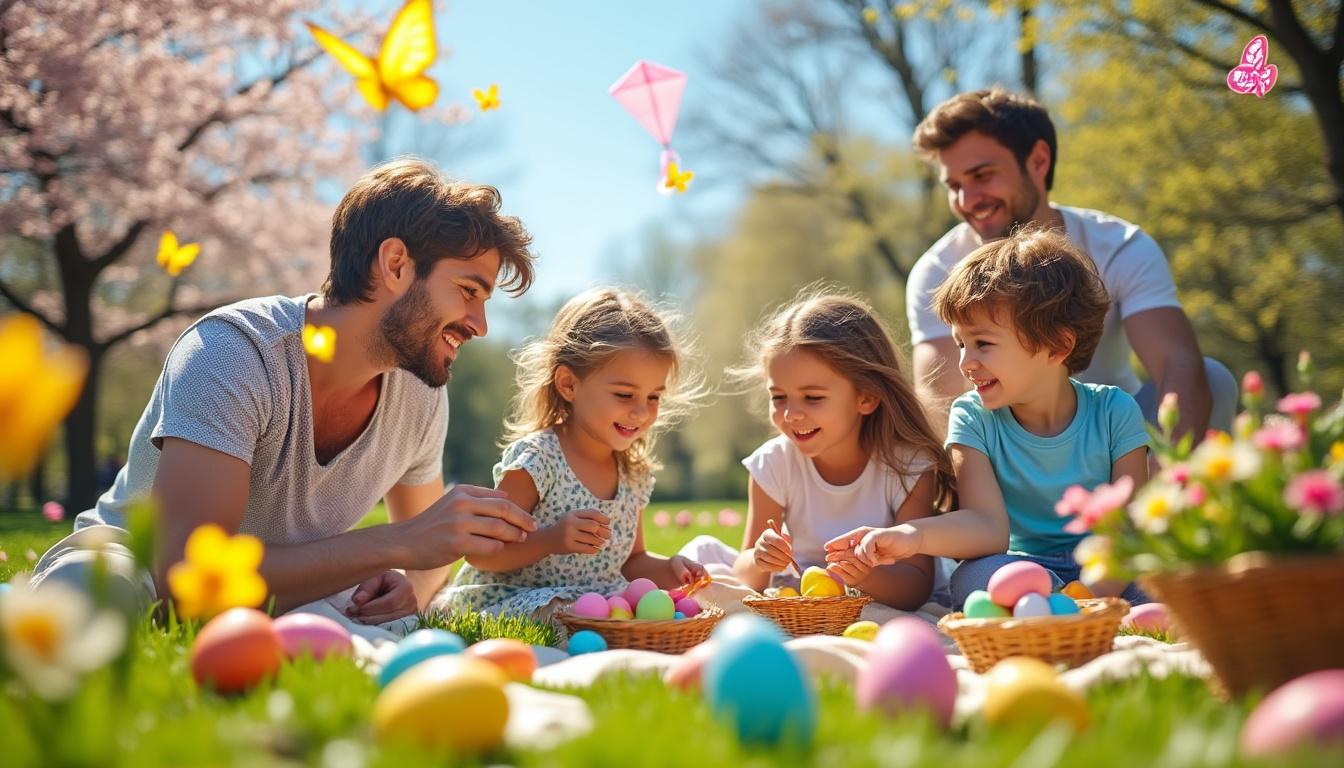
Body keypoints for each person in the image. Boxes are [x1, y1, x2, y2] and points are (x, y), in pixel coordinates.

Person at [31, 158, 540, 625]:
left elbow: (426, 558)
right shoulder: (233, 353)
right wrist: (396, 544)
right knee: (89, 598)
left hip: (298, 589)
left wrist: (407, 584)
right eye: (469, 292)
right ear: (395, 265)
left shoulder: (421, 391)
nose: (480, 324)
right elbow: (185, 577)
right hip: (140, 568)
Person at [828, 228, 1151, 608]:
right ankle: (1045, 601)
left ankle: (1050, 605)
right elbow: (987, 527)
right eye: (961, 344)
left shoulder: (1115, 411)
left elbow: (1128, 528)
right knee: (973, 579)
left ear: (1058, 346)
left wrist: (1091, 596)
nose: (966, 363)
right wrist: (911, 535)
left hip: (1108, 567)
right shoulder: (972, 417)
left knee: (1167, 577)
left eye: (983, 343)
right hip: (1023, 569)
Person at [906, 88, 1236, 444]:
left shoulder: (1120, 247)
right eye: (954, 186)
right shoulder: (938, 271)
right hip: (1011, 457)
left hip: (1117, 438)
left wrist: (1154, 478)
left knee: (1212, 379)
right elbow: (941, 406)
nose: (967, 200)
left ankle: (1174, 493)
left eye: (982, 176)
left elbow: (1177, 362)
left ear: (1038, 161)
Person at [433, 288, 708, 622]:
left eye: (653, 397)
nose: (640, 412)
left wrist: (670, 568)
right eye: (624, 394)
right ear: (568, 385)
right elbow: (482, 554)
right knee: (569, 614)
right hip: (515, 600)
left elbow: (631, 561)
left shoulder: (633, 473)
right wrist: (551, 539)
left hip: (595, 604)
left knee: (634, 608)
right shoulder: (538, 460)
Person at [681, 289, 956, 611]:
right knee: (702, 570)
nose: (791, 414)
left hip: (879, 594)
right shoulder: (774, 464)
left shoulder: (908, 468)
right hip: (803, 594)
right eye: (779, 397)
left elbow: (915, 587)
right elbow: (746, 577)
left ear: (866, 398)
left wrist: (862, 575)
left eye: (812, 398)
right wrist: (760, 559)